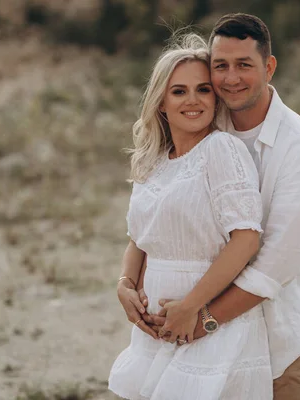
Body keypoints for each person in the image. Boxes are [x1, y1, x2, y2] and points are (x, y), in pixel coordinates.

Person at [144, 13, 300, 400]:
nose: (230, 78)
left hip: (281, 337)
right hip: (205, 339)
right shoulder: (206, 125)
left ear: (269, 67)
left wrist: (202, 319)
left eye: (244, 65)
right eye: (220, 66)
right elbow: (165, 216)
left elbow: (277, 263)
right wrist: (127, 284)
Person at [108, 32, 273, 400]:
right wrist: (125, 284)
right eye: (179, 91)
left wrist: (192, 307)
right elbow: (139, 239)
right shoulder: (154, 162)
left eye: (204, 89)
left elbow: (246, 239)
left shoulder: (222, 150)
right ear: (161, 103)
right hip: (156, 330)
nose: (193, 100)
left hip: (210, 326)